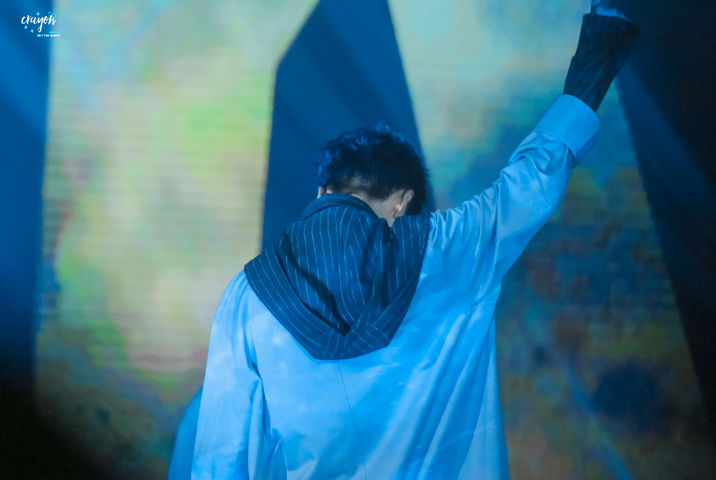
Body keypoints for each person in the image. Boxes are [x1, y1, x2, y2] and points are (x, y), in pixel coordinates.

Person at [184, 5, 638, 479]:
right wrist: (599, 46)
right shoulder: (446, 251)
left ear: (322, 192)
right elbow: (531, 181)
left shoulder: (247, 295)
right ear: (402, 202)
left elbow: (220, 458)